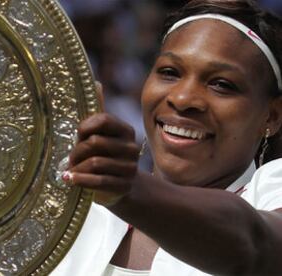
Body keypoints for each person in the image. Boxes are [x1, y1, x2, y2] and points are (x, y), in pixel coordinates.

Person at [51, 0, 282, 275]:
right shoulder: (71, 205)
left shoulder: (270, 192)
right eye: (169, 72)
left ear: (272, 116)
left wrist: (127, 190)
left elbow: (255, 246)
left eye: (222, 84)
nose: (183, 99)